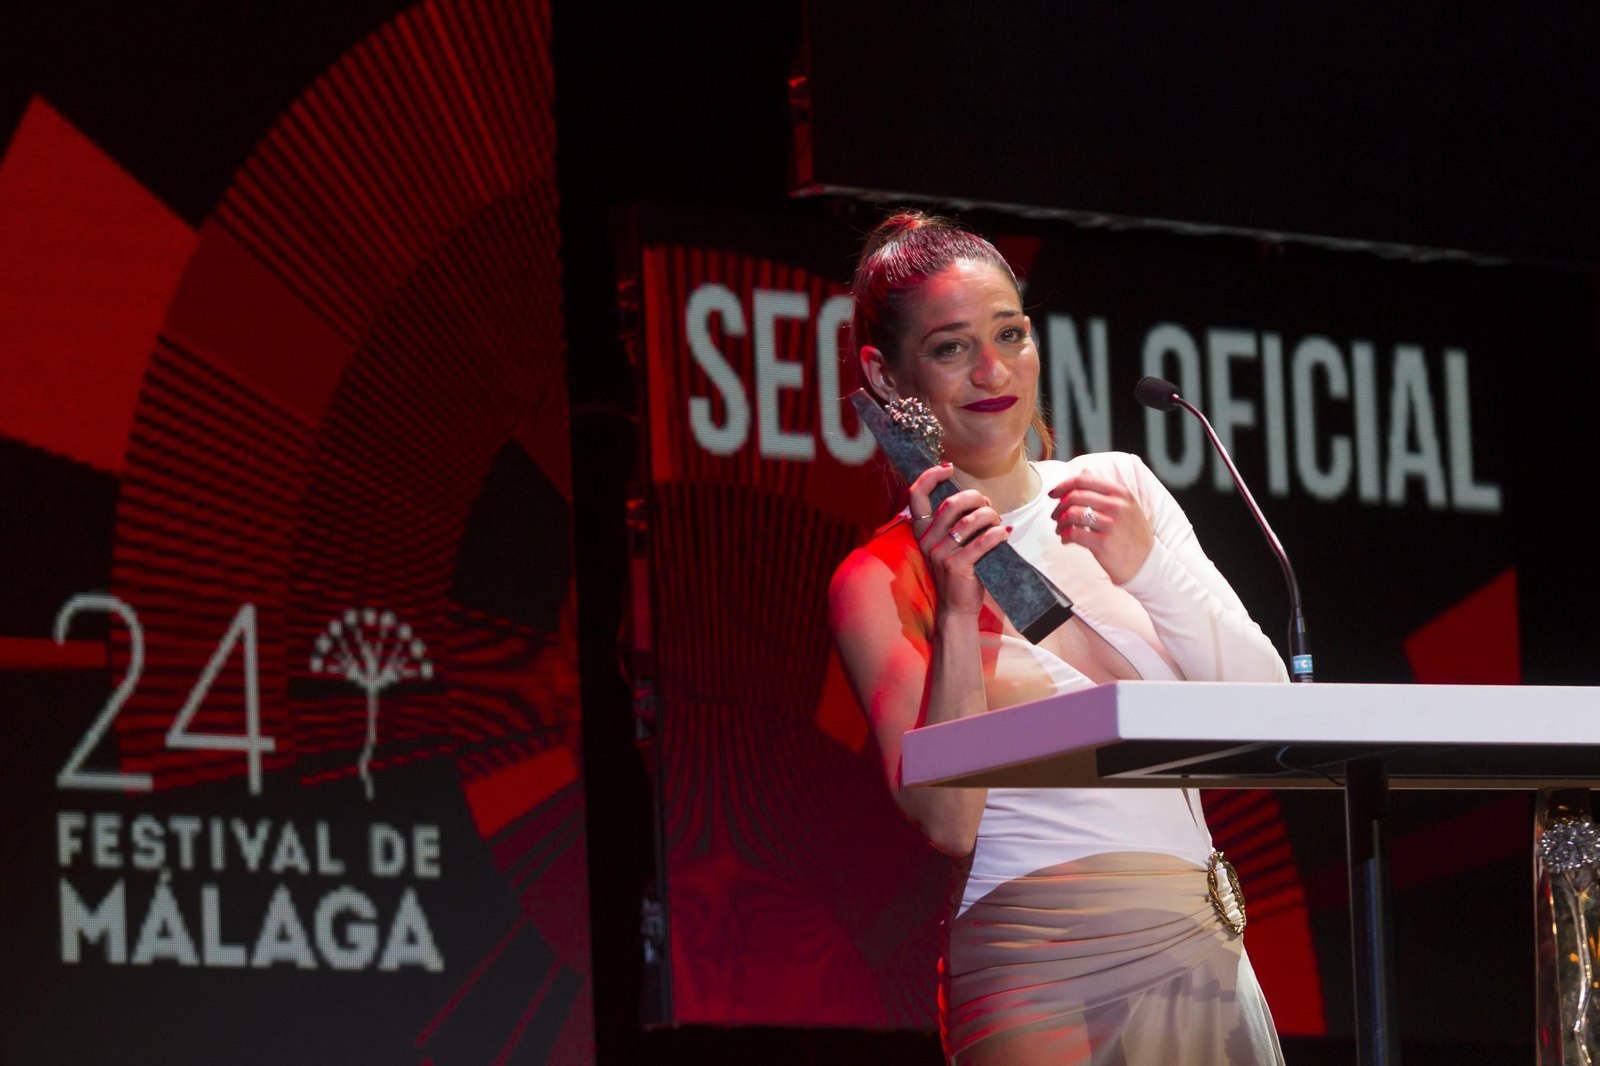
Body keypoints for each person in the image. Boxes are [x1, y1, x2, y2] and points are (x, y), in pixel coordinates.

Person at [828, 212, 1289, 1065]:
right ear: (885, 374)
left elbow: (1269, 712)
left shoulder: (1118, 488)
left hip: (1197, 953)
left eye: (1010, 334)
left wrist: (1148, 567)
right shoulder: (878, 578)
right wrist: (960, 608)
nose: (994, 371)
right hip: (1033, 967)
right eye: (952, 347)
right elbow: (947, 821)